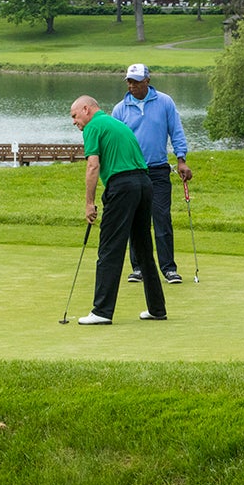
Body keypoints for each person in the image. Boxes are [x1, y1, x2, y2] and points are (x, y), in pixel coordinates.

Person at [69, 95, 167, 324]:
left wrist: (89, 203)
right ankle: (157, 308)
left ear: (86, 109)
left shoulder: (93, 126)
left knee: (110, 248)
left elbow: (93, 165)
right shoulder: (117, 123)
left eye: (75, 116)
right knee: (143, 248)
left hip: (122, 186)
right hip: (144, 184)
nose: (74, 122)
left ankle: (102, 311)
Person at [111, 63, 193, 286]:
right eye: (129, 81)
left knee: (161, 218)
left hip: (158, 170)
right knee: (136, 221)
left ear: (147, 81)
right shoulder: (120, 109)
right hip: (131, 172)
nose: (131, 85)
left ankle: (168, 268)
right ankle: (137, 267)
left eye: (136, 81)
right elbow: (115, 143)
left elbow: (176, 131)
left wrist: (181, 159)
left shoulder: (164, 102)